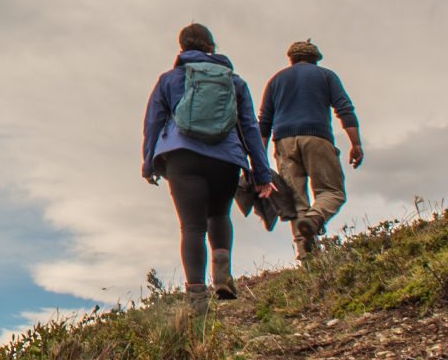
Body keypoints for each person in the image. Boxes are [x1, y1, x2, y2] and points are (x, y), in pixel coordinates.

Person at [141, 22, 271, 309]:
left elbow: (152, 123)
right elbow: (250, 127)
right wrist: (260, 172)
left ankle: (197, 298)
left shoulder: (169, 80)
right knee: (219, 215)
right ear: (212, 47)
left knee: (192, 227)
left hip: (182, 157)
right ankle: (223, 276)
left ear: (182, 48)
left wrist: (149, 161)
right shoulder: (234, 81)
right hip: (226, 159)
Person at [258, 39, 363, 257]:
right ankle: (315, 218)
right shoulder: (326, 76)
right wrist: (356, 143)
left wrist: (259, 158)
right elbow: (344, 109)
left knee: (296, 202)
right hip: (317, 137)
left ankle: (307, 256)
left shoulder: (276, 80)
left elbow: (264, 122)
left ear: (291, 59)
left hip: (284, 142)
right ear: (316, 59)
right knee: (332, 192)